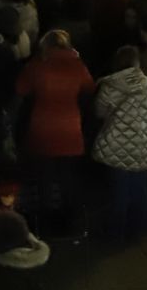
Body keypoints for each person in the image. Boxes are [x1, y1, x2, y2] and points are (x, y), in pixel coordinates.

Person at [15, 30, 95, 237]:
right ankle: (73, 223)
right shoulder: (78, 66)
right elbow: (89, 88)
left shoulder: (37, 66)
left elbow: (20, 89)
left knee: (43, 179)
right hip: (70, 130)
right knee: (68, 179)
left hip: (42, 130)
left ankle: (45, 225)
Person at [92, 45, 147, 241]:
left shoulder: (110, 86)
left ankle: (115, 231)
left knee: (119, 191)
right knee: (140, 188)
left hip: (117, 146)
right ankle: (137, 229)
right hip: (145, 143)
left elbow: (99, 112)